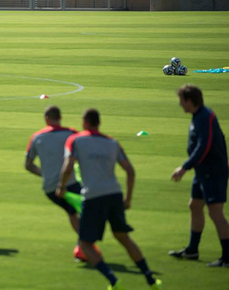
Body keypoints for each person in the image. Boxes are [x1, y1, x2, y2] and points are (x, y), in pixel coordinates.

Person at [56, 109, 161, 290]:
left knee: (86, 244)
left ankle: (113, 280)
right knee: (124, 237)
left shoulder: (75, 140)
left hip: (93, 196)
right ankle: (150, 279)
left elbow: (68, 166)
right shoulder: (112, 142)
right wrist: (128, 198)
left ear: (85, 123)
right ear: (99, 123)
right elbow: (130, 170)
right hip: (114, 194)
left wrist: (61, 186)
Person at [169, 84, 229, 267]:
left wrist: (185, 167)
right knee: (195, 205)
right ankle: (192, 250)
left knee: (215, 212)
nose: (180, 104)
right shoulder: (199, 116)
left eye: (181, 100)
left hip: (213, 171)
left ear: (189, 101)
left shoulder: (204, 117)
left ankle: (227, 256)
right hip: (203, 170)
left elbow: (205, 146)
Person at [25, 106, 89, 260]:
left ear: (46, 119)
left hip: (49, 188)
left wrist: (44, 174)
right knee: (86, 212)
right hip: (70, 184)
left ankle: (82, 246)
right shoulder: (72, 133)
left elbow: (28, 165)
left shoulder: (36, 137)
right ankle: (83, 247)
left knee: (73, 211)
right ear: (60, 118)